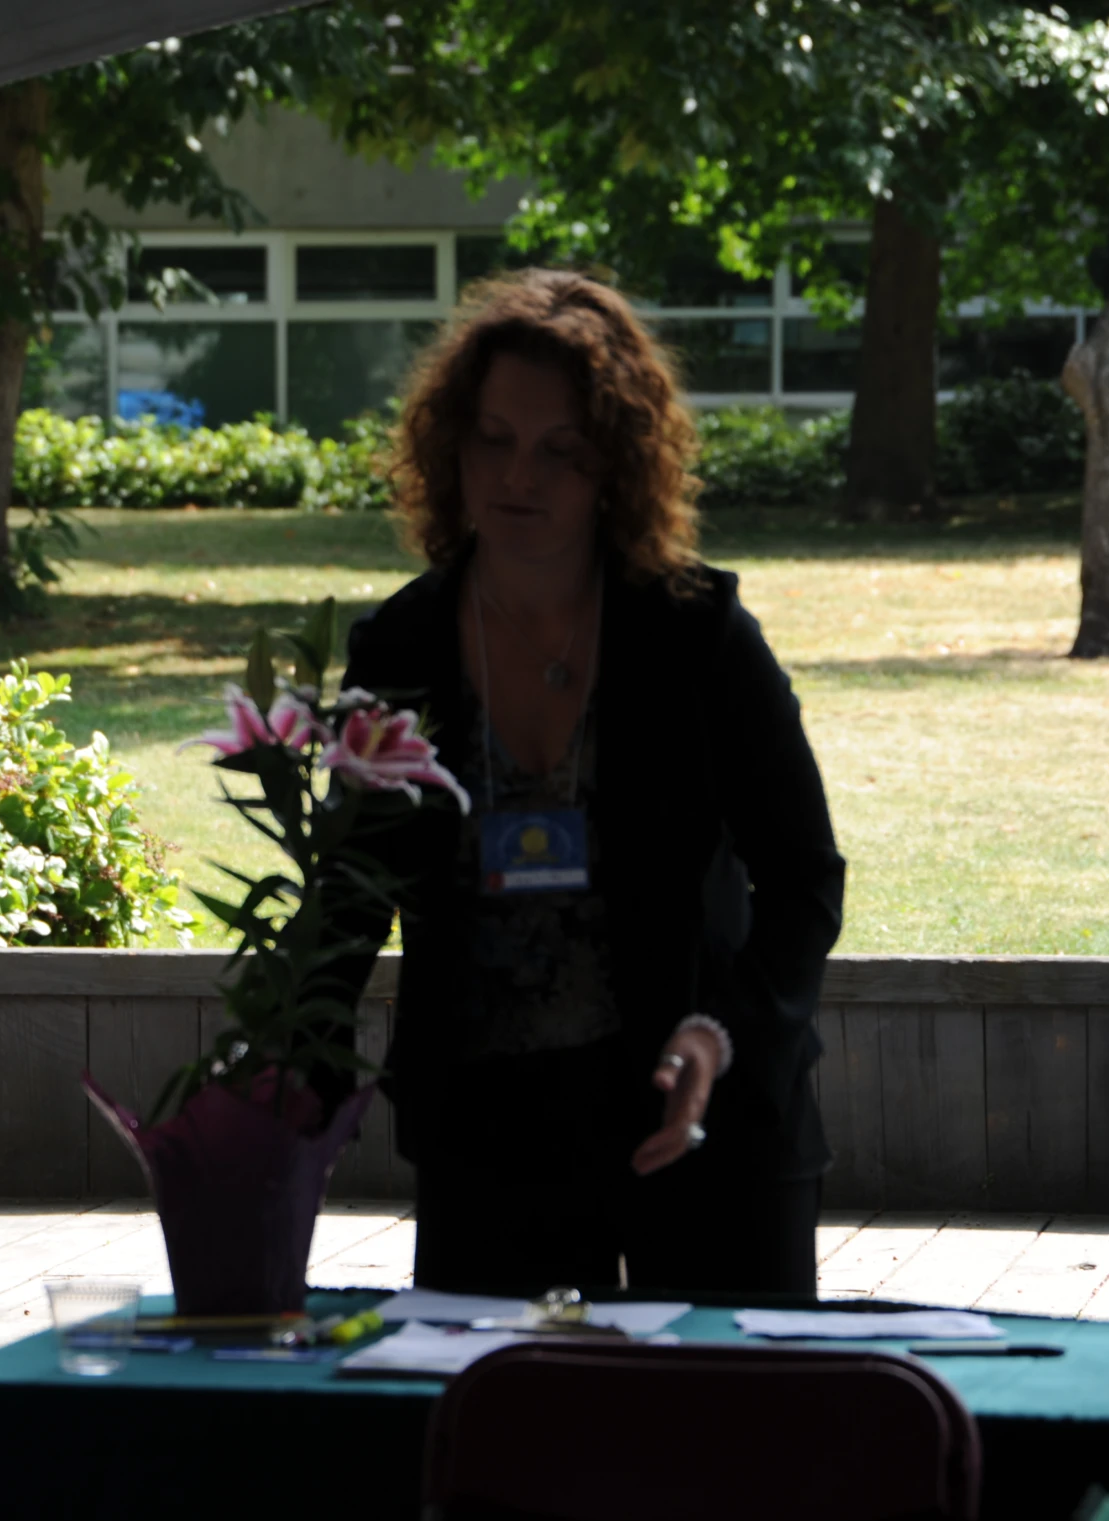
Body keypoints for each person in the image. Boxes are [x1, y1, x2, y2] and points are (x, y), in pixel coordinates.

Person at [336, 270, 845, 1298]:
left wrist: (720, 1035)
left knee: (721, 1451)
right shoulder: (400, 648)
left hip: (697, 1119)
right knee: (509, 1452)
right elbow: (344, 900)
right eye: (492, 438)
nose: (517, 475)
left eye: (559, 451)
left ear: (613, 468)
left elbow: (802, 881)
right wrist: (277, 1081)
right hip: (488, 1141)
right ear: (451, 445)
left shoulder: (698, 636)